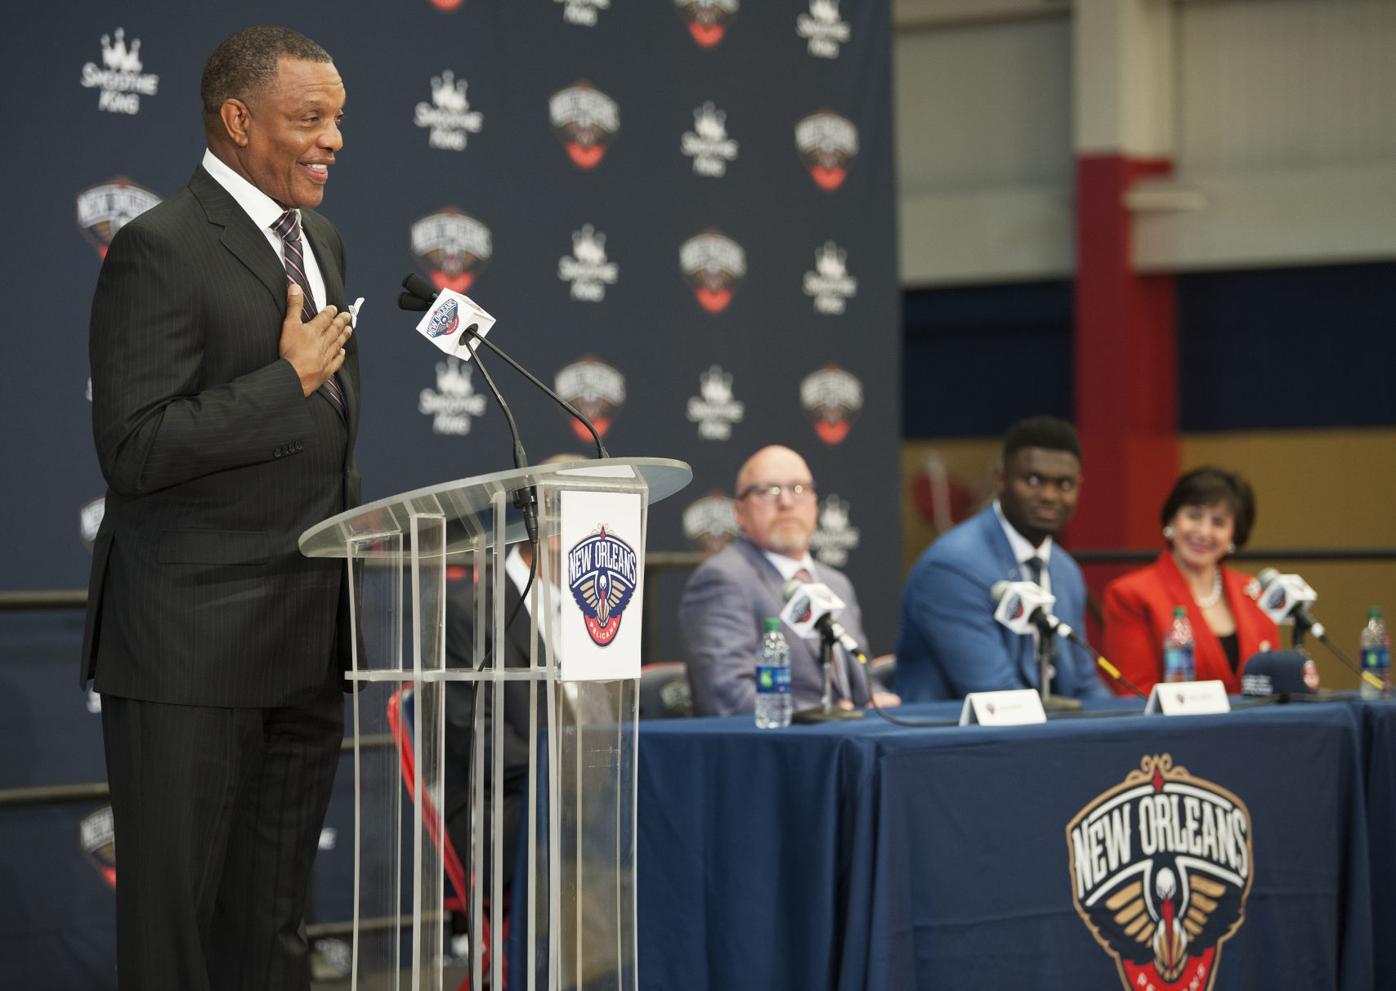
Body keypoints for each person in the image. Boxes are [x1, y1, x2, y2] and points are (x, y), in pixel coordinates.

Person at [82, 26, 357, 990]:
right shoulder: (159, 247)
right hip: (190, 649)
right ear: (239, 120)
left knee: (273, 928)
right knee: (177, 938)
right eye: (309, 118)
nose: (331, 140)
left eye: (337, 120)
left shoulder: (318, 239)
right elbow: (136, 445)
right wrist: (284, 383)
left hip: (305, 639)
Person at [896, 416, 1109, 701]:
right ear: (1001, 479)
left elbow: (1084, 685)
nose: (1049, 495)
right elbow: (996, 693)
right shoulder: (953, 566)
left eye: (1064, 484)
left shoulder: (1065, 570)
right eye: (1033, 480)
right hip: (958, 740)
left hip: (1043, 733)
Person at [680, 445, 898, 716]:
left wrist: (877, 696)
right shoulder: (723, 579)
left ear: (814, 503)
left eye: (798, 488)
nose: (786, 502)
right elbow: (727, 697)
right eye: (767, 491)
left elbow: (862, 681)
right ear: (739, 512)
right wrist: (821, 716)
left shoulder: (835, 582)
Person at [1102, 467, 1278, 695]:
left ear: (1234, 535)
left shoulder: (1253, 592)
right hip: (1174, 729)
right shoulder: (1131, 594)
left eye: (1218, 522)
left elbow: (1273, 683)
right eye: (1194, 516)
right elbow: (1134, 692)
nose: (1204, 532)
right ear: (1172, 520)